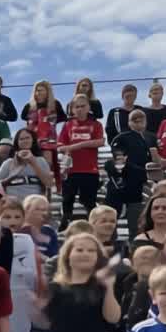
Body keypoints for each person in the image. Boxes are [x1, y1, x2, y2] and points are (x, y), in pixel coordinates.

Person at [57, 95, 106, 230]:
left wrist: (75, 146)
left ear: (88, 107)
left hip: (89, 170)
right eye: (76, 107)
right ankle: (65, 225)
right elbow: (60, 146)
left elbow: (101, 142)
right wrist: (68, 148)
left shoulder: (96, 124)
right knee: (67, 200)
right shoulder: (67, 125)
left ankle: (95, 226)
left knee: (89, 202)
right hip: (71, 170)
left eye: (82, 106)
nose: (79, 109)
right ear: (72, 109)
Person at [0, 128, 52, 201]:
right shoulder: (8, 162)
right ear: (17, 142)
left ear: (33, 140)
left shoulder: (41, 160)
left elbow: (48, 183)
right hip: (13, 200)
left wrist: (33, 163)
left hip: (34, 200)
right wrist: (15, 171)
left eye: (27, 138)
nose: (25, 141)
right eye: (21, 139)